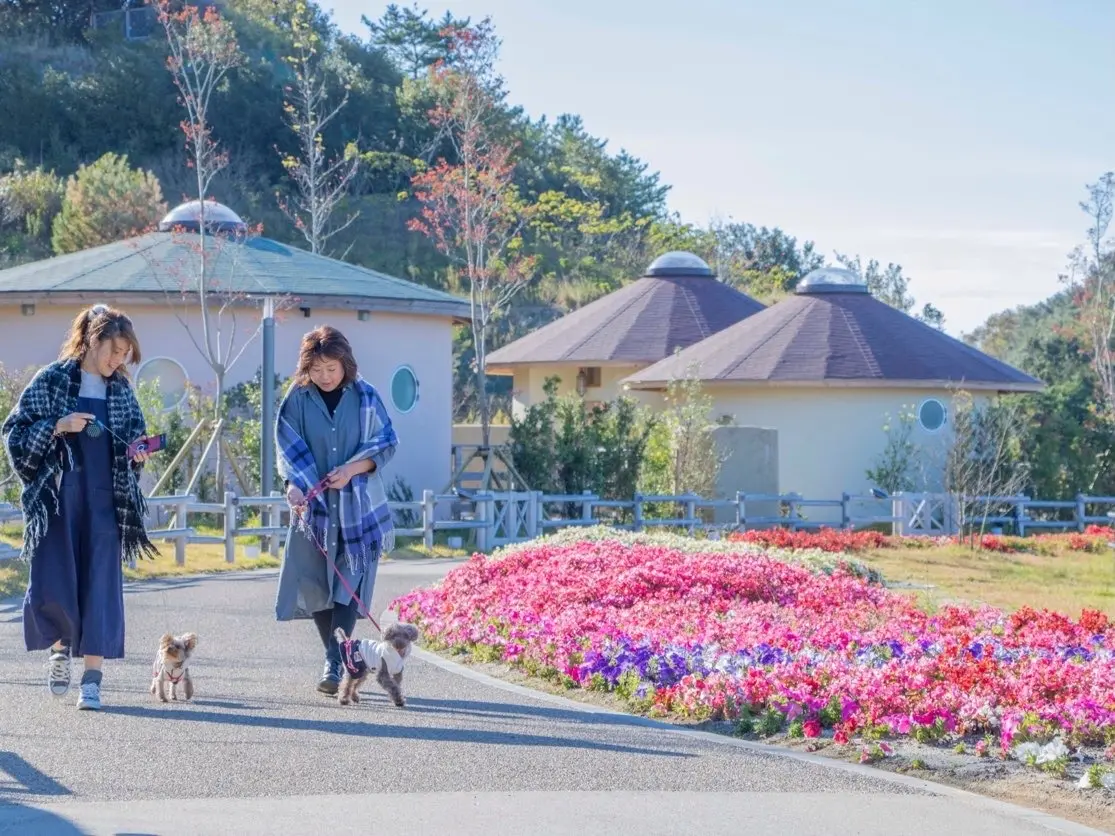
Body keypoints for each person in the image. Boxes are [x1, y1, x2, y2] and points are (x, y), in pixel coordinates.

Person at [2, 304, 157, 710]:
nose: (118, 360)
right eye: (114, 350)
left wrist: (138, 452)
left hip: (105, 502)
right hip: (58, 499)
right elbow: (14, 433)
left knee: (100, 586)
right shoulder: (52, 379)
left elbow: (135, 438)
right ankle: (59, 651)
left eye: (124, 354)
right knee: (54, 579)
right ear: (92, 340)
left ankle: (92, 681)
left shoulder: (121, 392)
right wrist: (57, 425)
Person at [274, 326, 398, 695]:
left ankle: (333, 660)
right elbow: (287, 450)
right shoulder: (297, 398)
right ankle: (337, 657)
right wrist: (293, 487)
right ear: (306, 368)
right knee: (314, 580)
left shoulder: (365, 395)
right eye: (317, 369)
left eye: (331, 368)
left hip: (358, 505)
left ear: (346, 363)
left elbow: (386, 442)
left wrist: (351, 470)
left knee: (350, 579)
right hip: (313, 507)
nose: (325, 376)